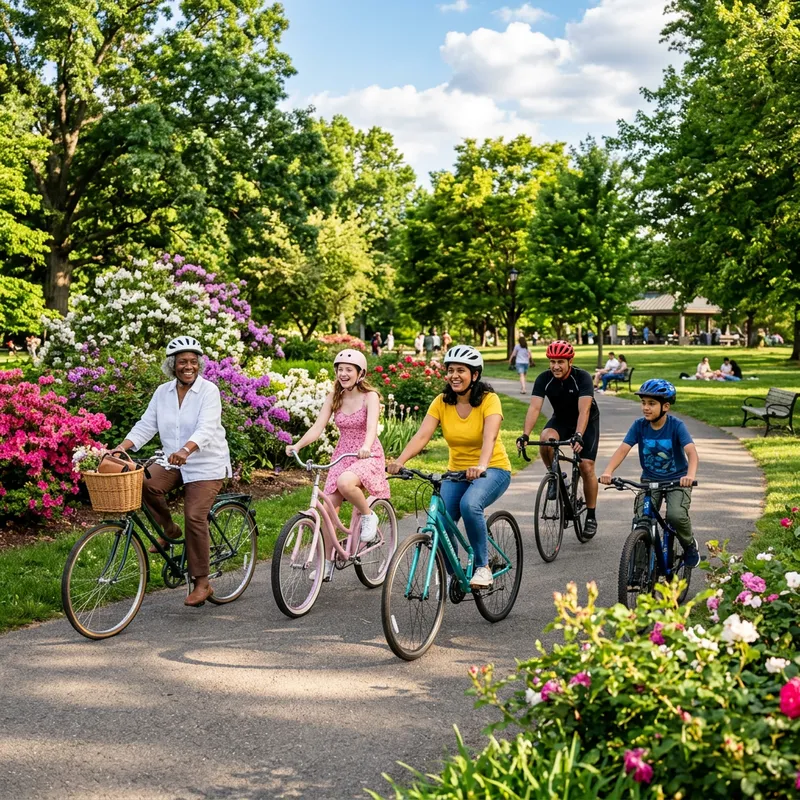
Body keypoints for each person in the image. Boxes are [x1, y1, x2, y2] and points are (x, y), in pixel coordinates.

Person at [114, 336, 231, 607]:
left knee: (194, 516)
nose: (188, 366)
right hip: (173, 461)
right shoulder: (162, 393)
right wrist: (121, 448)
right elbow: (146, 425)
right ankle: (169, 529)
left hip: (205, 464)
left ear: (199, 364)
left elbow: (207, 427)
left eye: (193, 362)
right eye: (182, 362)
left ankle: (202, 582)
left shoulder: (209, 391)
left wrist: (187, 450)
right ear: (172, 365)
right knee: (142, 482)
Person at [387, 345, 511, 588]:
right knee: (439, 520)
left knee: (470, 504)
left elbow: (490, 437)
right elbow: (422, 436)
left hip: (493, 468)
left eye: (461, 370)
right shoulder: (441, 402)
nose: (454, 375)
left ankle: (483, 566)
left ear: (474, 375)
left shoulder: (489, 400)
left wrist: (481, 465)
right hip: (456, 473)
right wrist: (400, 461)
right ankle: (456, 574)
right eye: (450, 370)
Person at [286, 348, 389, 581]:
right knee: (329, 508)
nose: (343, 373)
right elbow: (317, 427)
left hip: (367, 453)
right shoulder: (335, 397)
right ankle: (329, 562)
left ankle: (367, 514)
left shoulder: (369, 397)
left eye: (348, 370)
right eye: (340, 369)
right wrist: (298, 445)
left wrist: (365, 445)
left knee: (346, 483)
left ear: (360, 373)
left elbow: (371, 427)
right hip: (342, 453)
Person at [599, 379, 700, 568]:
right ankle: (638, 570)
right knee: (642, 520)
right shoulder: (639, 426)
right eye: (643, 403)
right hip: (649, 481)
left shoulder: (676, 426)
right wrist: (608, 471)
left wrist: (690, 476)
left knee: (676, 515)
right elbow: (623, 449)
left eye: (651, 403)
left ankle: (689, 545)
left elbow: (692, 453)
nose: (646, 407)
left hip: (677, 481)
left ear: (666, 406)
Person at [516, 340, 600, 538]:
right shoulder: (544, 378)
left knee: (586, 466)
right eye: (552, 361)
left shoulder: (583, 378)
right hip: (561, 420)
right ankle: (555, 475)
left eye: (560, 361)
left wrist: (578, 435)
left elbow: (584, 410)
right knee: (546, 439)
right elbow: (535, 407)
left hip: (586, 421)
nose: (555, 366)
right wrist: (525, 435)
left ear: (570, 361)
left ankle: (591, 515)